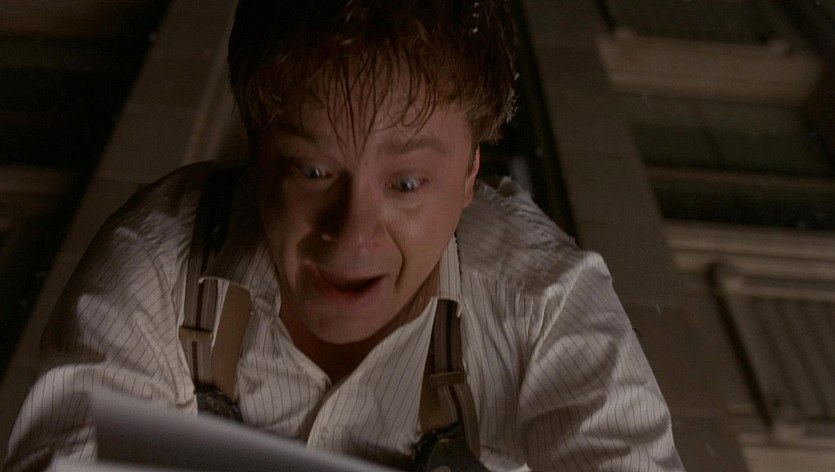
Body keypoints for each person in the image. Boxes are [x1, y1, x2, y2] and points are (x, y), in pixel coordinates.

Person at [5, 1, 684, 471]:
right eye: (314, 170)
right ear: (257, 156)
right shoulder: (154, 267)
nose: (353, 233)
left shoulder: (542, 303)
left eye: (407, 183)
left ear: (470, 175)